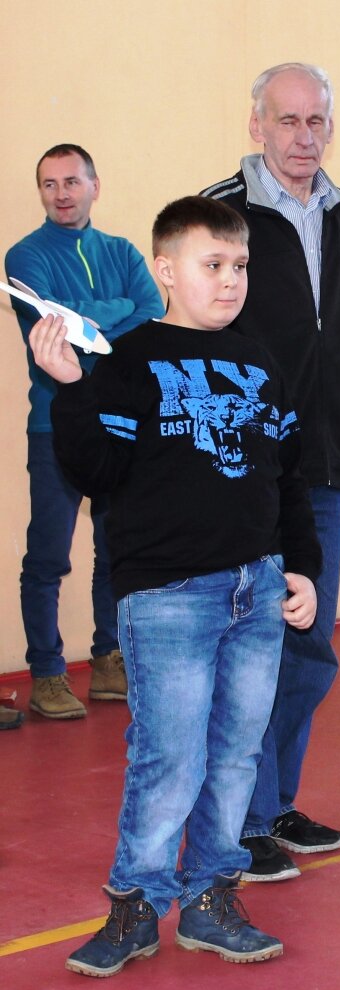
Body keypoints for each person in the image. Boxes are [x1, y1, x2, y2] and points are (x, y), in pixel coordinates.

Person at [29, 196, 321, 977]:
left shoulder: (260, 363)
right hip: (168, 598)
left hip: (257, 592)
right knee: (168, 757)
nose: (230, 280)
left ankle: (210, 899)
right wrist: (70, 387)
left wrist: (301, 568)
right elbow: (97, 472)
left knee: (235, 754)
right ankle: (135, 905)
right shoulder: (130, 362)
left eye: (240, 266)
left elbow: (286, 479)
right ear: (165, 270)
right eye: (212, 264)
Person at [201, 63, 340, 882]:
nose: (303, 137)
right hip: (244, 472)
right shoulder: (219, 216)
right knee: (250, 649)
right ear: (257, 127)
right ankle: (236, 825)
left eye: (316, 122)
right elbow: (193, 343)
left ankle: (272, 805)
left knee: (307, 650)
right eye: (287, 121)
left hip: (324, 471)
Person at [5, 144, 165, 720]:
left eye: (72, 181)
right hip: (54, 424)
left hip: (117, 423)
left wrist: (88, 316)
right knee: (48, 554)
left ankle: (107, 661)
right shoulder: (24, 255)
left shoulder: (121, 251)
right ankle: (47, 674)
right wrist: (115, 309)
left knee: (113, 548)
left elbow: (151, 309)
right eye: (49, 184)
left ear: (95, 186)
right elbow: (53, 324)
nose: (62, 194)